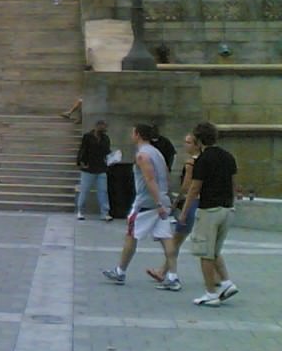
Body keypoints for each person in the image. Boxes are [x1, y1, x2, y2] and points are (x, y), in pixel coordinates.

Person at [102, 124, 179, 289]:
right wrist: (167, 198)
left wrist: (158, 202)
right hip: (161, 201)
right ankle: (173, 277)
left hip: (147, 203)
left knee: (131, 235)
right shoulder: (158, 153)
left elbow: (149, 180)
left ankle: (120, 271)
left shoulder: (142, 155)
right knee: (166, 238)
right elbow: (166, 174)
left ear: (137, 134)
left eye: (132, 132)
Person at [178, 122, 239, 307]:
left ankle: (210, 293)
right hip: (227, 209)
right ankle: (227, 283)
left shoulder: (203, 160)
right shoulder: (228, 156)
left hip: (209, 210)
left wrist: (184, 212)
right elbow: (233, 183)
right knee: (214, 251)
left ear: (198, 140)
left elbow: (194, 188)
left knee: (205, 253)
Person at [147, 133, 199, 284]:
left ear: (196, 144)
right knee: (180, 239)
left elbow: (186, 186)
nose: (185, 145)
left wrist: (177, 201)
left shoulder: (191, 163)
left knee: (176, 239)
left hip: (190, 202)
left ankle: (163, 272)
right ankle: (163, 270)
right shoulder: (202, 160)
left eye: (189, 142)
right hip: (200, 203)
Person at [75, 120, 112, 221]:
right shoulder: (88, 137)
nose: (105, 129)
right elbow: (83, 149)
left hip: (101, 167)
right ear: (98, 126)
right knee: (84, 190)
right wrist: (80, 162)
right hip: (89, 167)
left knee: (103, 191)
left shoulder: (105, 138)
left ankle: (105, 212)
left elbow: (107, 151)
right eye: (103, 127)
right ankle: (80, 211)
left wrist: (111, 158)